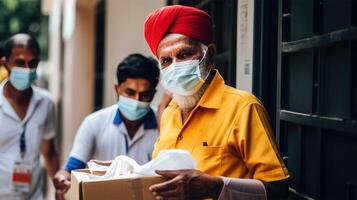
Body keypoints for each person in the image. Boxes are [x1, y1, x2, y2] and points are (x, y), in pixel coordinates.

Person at [144, 5, 289, 200]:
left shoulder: (243, 107)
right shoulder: (170, 113)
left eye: (185, 54)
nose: (175, 66)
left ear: (210, 56)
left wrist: (215, 187)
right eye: (166, 61)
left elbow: (278, 191)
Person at [53, 53, 160, 199]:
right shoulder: (94, 123)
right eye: (130, 92)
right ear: (117, 89)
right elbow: (72, 167)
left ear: (153, 94)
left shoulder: (164, 127)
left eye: (145, 95)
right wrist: (62, 178)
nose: (137, 101)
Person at [0, 33, 60, 199]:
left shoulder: (46, 102)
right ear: (5, 63)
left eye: (32, 63)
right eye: (20, 63)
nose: (27, 69)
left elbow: (49, 151)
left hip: (33, 195)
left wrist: (59, 187)